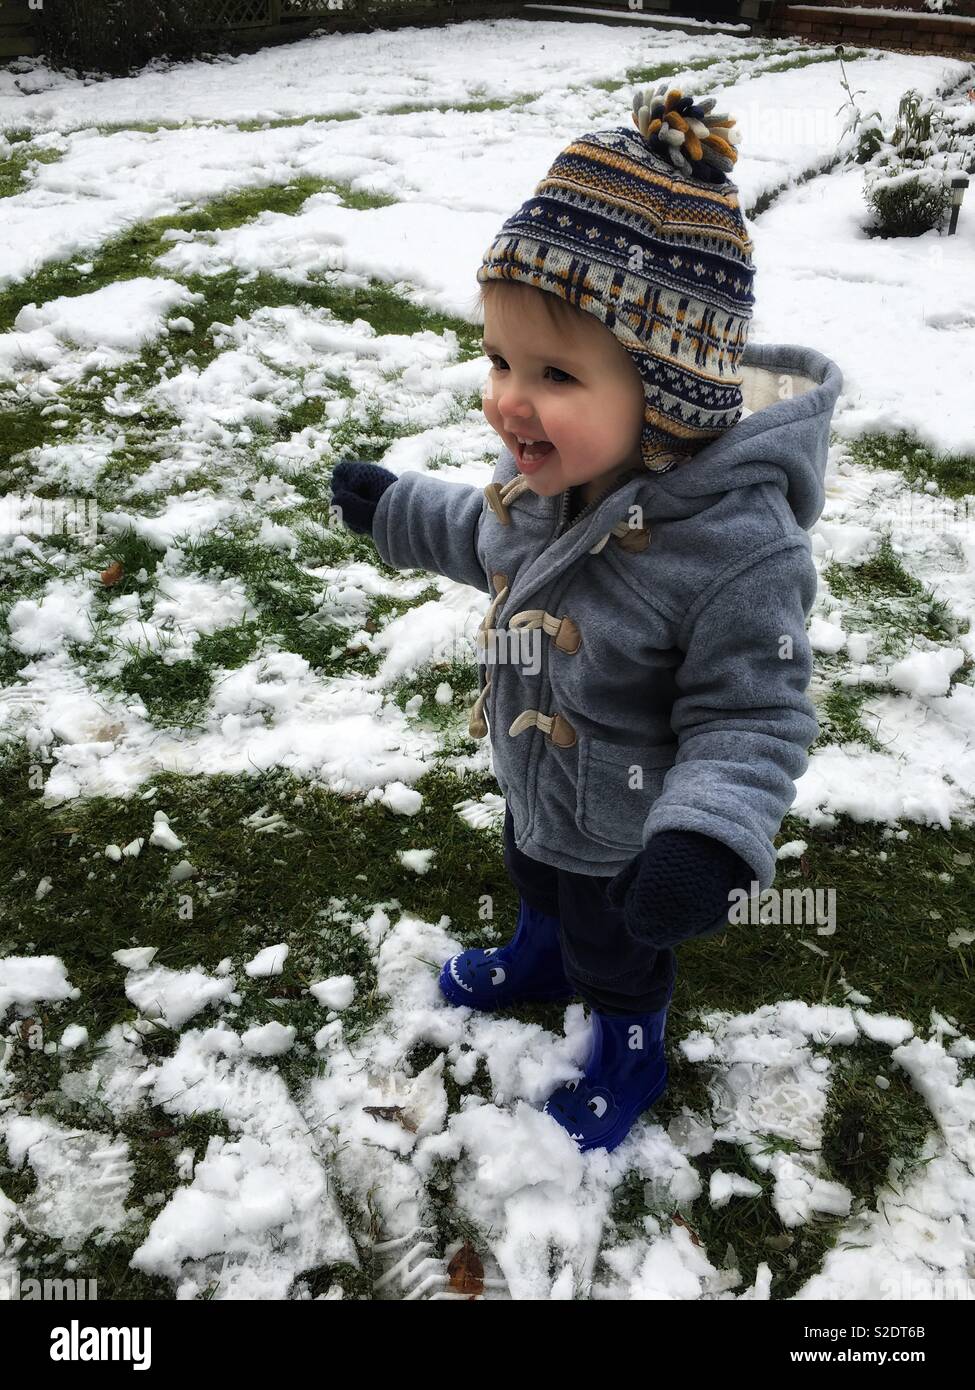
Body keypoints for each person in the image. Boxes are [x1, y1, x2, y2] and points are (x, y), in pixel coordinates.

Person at [331, 83, 843, 1154]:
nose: (509, 400)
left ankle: (629, 1037)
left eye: (554, 372)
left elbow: (752, 715)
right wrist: (396, 512)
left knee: (617, 941)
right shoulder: (553, 473)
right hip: (539, 781)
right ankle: (541, 948)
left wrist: (706, 836)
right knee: (533, 866)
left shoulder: (739, 549)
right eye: (500, 361)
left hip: (636, 830)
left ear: (665, 394)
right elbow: (483, 537)